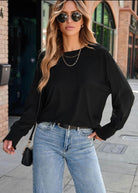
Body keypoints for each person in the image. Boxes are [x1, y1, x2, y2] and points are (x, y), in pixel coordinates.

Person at [3, 0, 134, 193]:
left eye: (75, 15)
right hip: (47, 138)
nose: (69, 20)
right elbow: (34, 104)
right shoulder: (46, 58)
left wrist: (109, 129)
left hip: (82, 140)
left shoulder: (99, 56)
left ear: (83, 20)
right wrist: (15, 134)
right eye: (63, 16)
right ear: (56, 21)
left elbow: (125, 96)